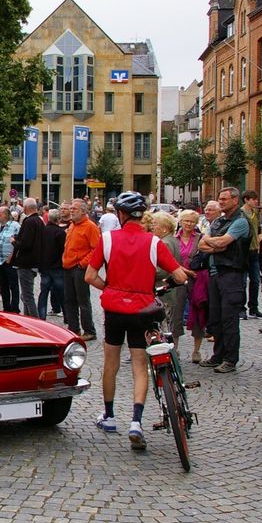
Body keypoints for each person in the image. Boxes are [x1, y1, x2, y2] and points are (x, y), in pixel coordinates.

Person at [84, 191, 189, 451]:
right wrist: (160, 286)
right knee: (140, 365)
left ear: (120, 214)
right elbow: (179, 275)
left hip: (114, 310)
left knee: (111, 362)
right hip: (142, 310)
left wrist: (108, 287)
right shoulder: (154, 242)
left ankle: (108, 416)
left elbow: (89, 275)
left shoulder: (107, 239)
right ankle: (136, 421)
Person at [198, 187, 250, 374]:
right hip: (215, 273)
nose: (221, 202)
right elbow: (202, 244)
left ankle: (230, 358)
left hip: (231, 274)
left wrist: (215, 243)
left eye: (224, 199)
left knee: (229, 319)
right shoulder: (219, 221)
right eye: (219, 199)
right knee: (215, 318)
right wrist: (216, 245)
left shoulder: (240, 221)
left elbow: (222, 242)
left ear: (235, 200)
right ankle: (217, 355)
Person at [62, 199, 100, 341]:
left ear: (84, 211)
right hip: (68, 267)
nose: (71, 210)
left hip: (79, 268)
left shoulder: (90, 227)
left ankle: (89, 330)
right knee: (69, 300)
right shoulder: (72, 225)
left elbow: (96, 249)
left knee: (83, 300)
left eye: (75, 209)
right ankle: (73, 329)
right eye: (71, 208)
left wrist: (82, 264)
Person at [151, 212, 185, 350]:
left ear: (165, 228)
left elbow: (163, 269)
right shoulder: (172, 240)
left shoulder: (165, 243)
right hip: (170, 288)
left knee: (164, 324)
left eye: (155, 225)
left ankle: (167, 352)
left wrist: (145, 271)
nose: (152, 227)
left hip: (164, 288)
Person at [176, 209, 207, 363]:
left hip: (196, 279)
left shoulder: (200, 238)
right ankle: (174, 348)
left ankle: (197, 350)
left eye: (192, 221)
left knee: (198, 312)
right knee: (176, 313)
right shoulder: (174, 238)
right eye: (186, 221)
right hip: (178, 279)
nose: (188, 224)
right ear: (180, 221)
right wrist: (185, 271)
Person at [11, 198, 43, 317]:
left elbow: (25, 243)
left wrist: (14, 241)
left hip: (26, 262)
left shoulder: (29, 221)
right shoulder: (39, 221)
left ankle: (34, 321)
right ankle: (28, 319)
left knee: (27, 296)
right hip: (34, 261)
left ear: (25, 208)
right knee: (25, 296)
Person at [241, 190, 262, 320]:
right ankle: (241, 309)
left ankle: (254, 308)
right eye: (253, 199)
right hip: (244, 252)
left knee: (255, 281)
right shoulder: (240, 213)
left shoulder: (256, 213)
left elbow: (259, 230)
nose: (256, 201)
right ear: (246, 200)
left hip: (254, 250)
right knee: (243, 282)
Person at [0, 205, 21, 312]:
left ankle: (15, 308)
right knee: (3, 286)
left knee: (13, 285)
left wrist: (11, 256)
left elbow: (18, 242)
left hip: (10, 260)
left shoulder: (15, 225)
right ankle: (6, 308)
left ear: (6, 214)